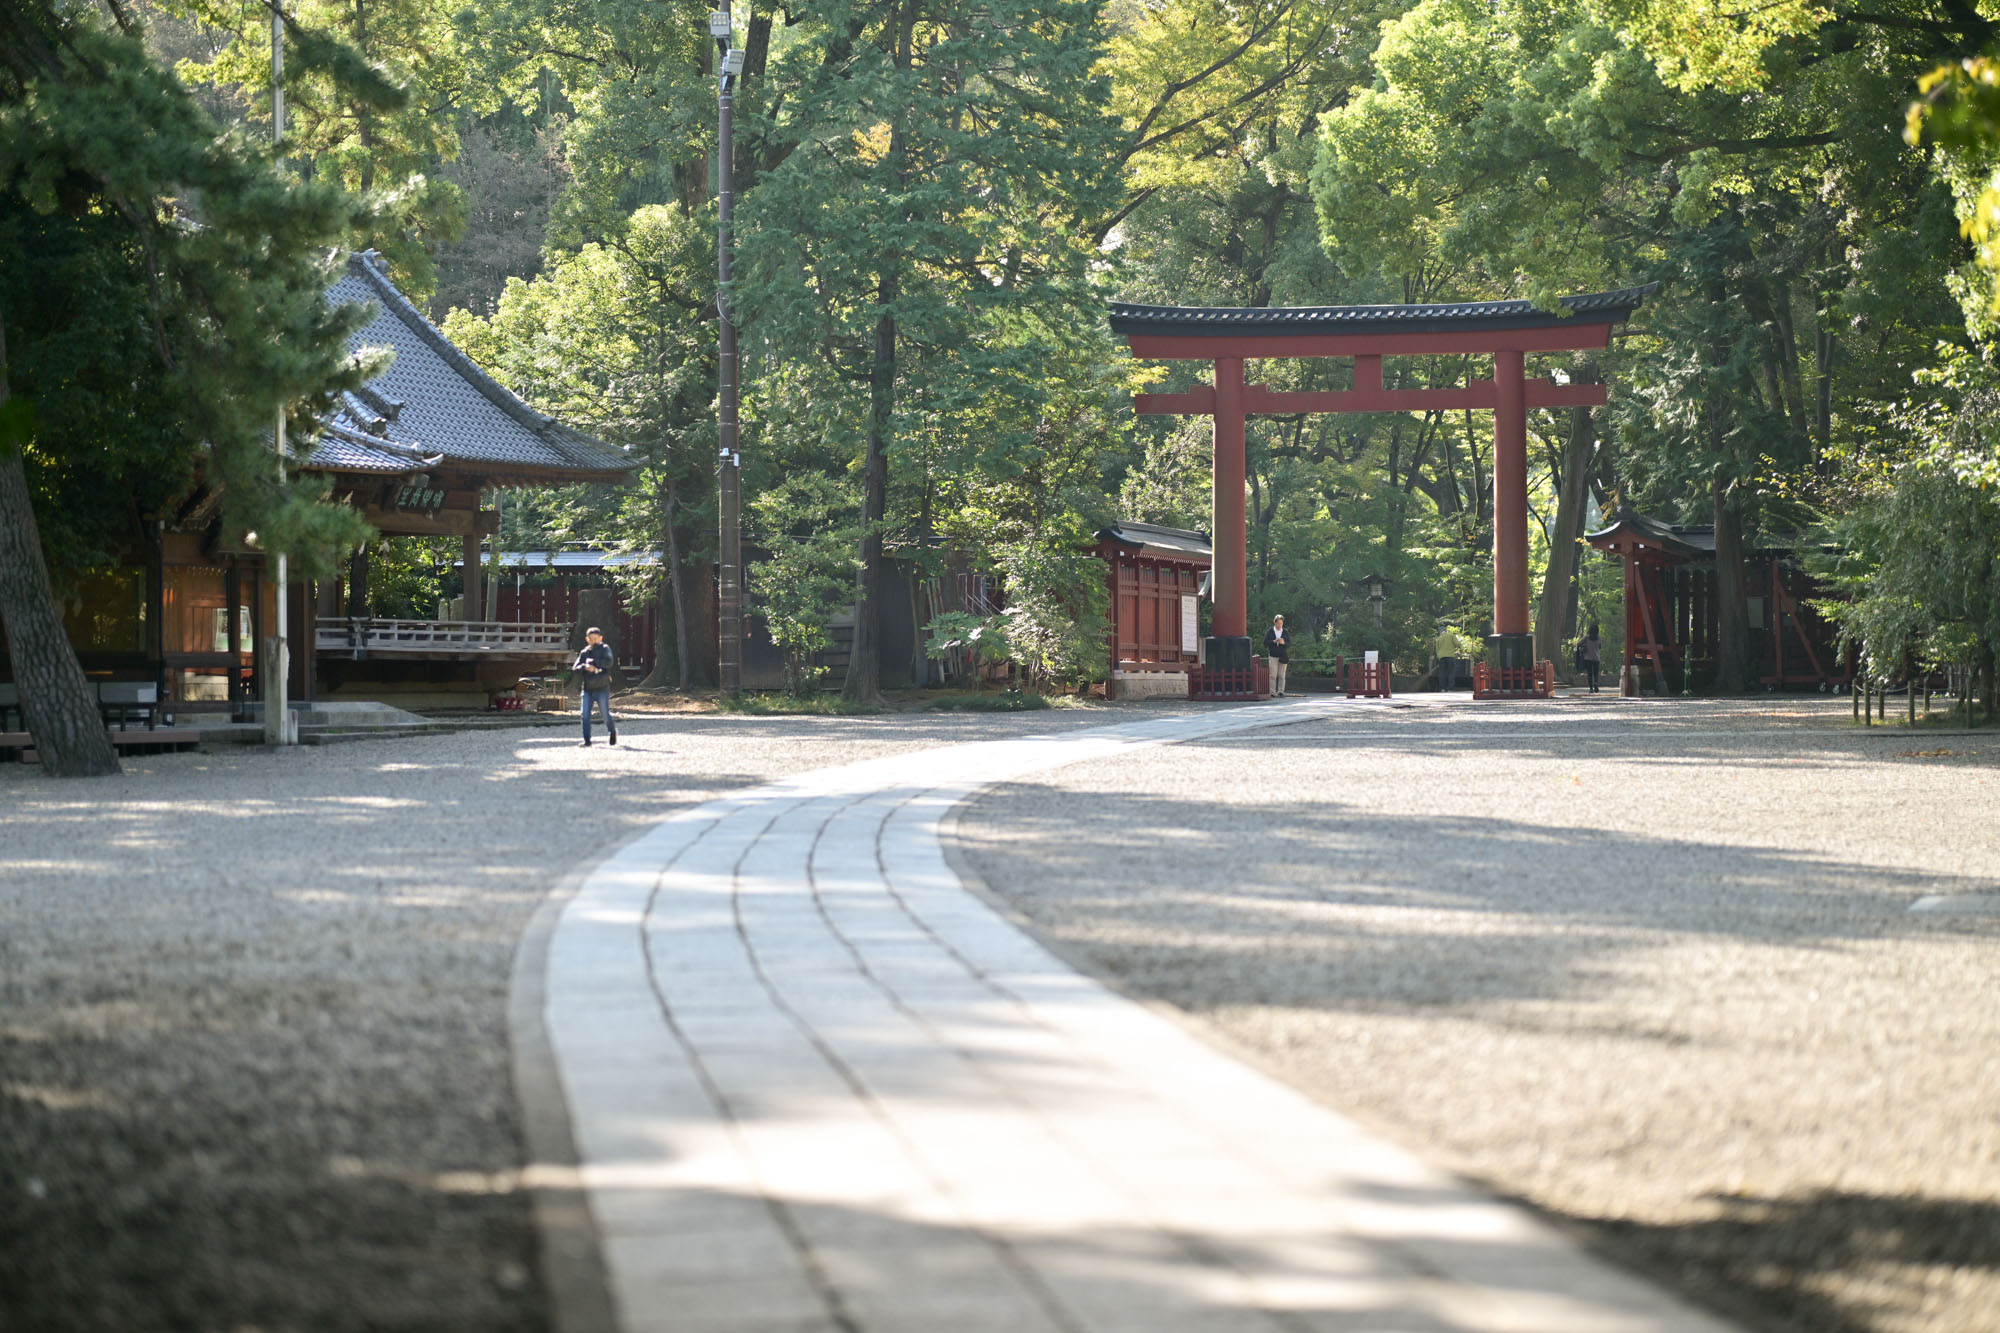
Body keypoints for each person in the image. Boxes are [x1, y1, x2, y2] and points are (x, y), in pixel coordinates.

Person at [574, 626, 618, 746]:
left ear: (600, 638)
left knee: (604, 713)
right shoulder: (584, 652)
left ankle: (612, 732)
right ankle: (587, 740)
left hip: (602, 687)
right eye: (591, 639)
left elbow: (609, 662)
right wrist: (585, 667)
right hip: (587, 688)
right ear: (587, 639)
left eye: (596, 638)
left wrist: (594, 664)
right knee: (585, 715)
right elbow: (575, 668)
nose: (593, 641)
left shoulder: (605, 649)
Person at [1263, 614, 1290, 697]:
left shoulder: (1285, 631)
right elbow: (1265, 643)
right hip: (1273, 656)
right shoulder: (1270, 631)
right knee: (1272, 675)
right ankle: (1272, 692)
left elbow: (1289, 643)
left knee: (1282, 675)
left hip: (1283, 656)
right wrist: (1273, 641)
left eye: (1281, 623)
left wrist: (1283, 642)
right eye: (1278, 623)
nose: (1279, 625)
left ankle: (1281, 691)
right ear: (1274, 623)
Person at [1582, 623, 1603, 693]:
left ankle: (1591, 688)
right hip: (1596, 658)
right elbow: (1600, 647)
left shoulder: (1586, 638)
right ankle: (1596, 683)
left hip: (1588, 658)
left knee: (1590, 674)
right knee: (1596, 673)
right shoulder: (1599, 638)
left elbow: (1579, 643)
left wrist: (1585, 645)